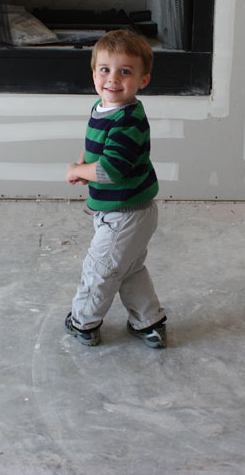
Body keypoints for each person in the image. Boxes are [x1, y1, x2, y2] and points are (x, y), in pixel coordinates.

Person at [64, 29, 167, 349]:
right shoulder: (103, 106)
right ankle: (148, 321)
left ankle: (83, 321)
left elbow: (111, 169)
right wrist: (85, 164)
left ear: (143, 80)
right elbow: (99, 151)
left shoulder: (127, 120)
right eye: (105, 70)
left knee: (100, 270)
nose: (113, 79)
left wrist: (77, 171)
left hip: (124, 214)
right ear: (94, 73)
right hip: (128, 209)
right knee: (130, 268)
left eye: (125, 71)